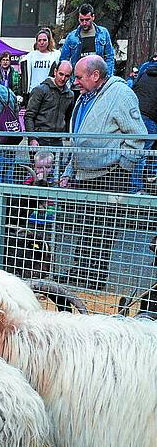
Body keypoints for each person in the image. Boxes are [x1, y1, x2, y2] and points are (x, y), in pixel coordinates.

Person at [59, 55, 147, 288]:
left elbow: (138, 136)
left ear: (95, 76)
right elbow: (80, 140)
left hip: (108, 174)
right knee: (86, 226)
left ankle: (94, 278)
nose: (74, 81)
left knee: (101, 229)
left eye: (78, 77)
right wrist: (70, 170)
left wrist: (122, 168)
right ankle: (81, 271)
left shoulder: (120, 94)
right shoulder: (86, 96)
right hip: (87, 172)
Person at [25, 60, 74, 148]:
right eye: (61, 74)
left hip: (57, 140)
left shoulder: (69, 95)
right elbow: (29, 116)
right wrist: (32, 138)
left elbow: (68, 118)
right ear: (55, 72)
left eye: (67, 76)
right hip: (39, 139)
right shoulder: (40, 90)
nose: (63, 78)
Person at [60, 3, 115, 81]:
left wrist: (108, 77)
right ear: (78, 18)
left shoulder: (103, 33)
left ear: (93, 17)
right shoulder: (71, 37)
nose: (84, 23)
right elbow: (64, 60)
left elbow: (109, 57)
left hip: (98, 80)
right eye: (81, 20)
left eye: (87, 20)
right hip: (78, 81)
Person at [20, 28, 60, 98]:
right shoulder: (30, 56)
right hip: (33, 92)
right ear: (36, 42)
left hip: (50, 93)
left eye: (44, 40)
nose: (42, 43)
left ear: (48, 41)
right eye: (39, 40)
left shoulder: (56, 54)